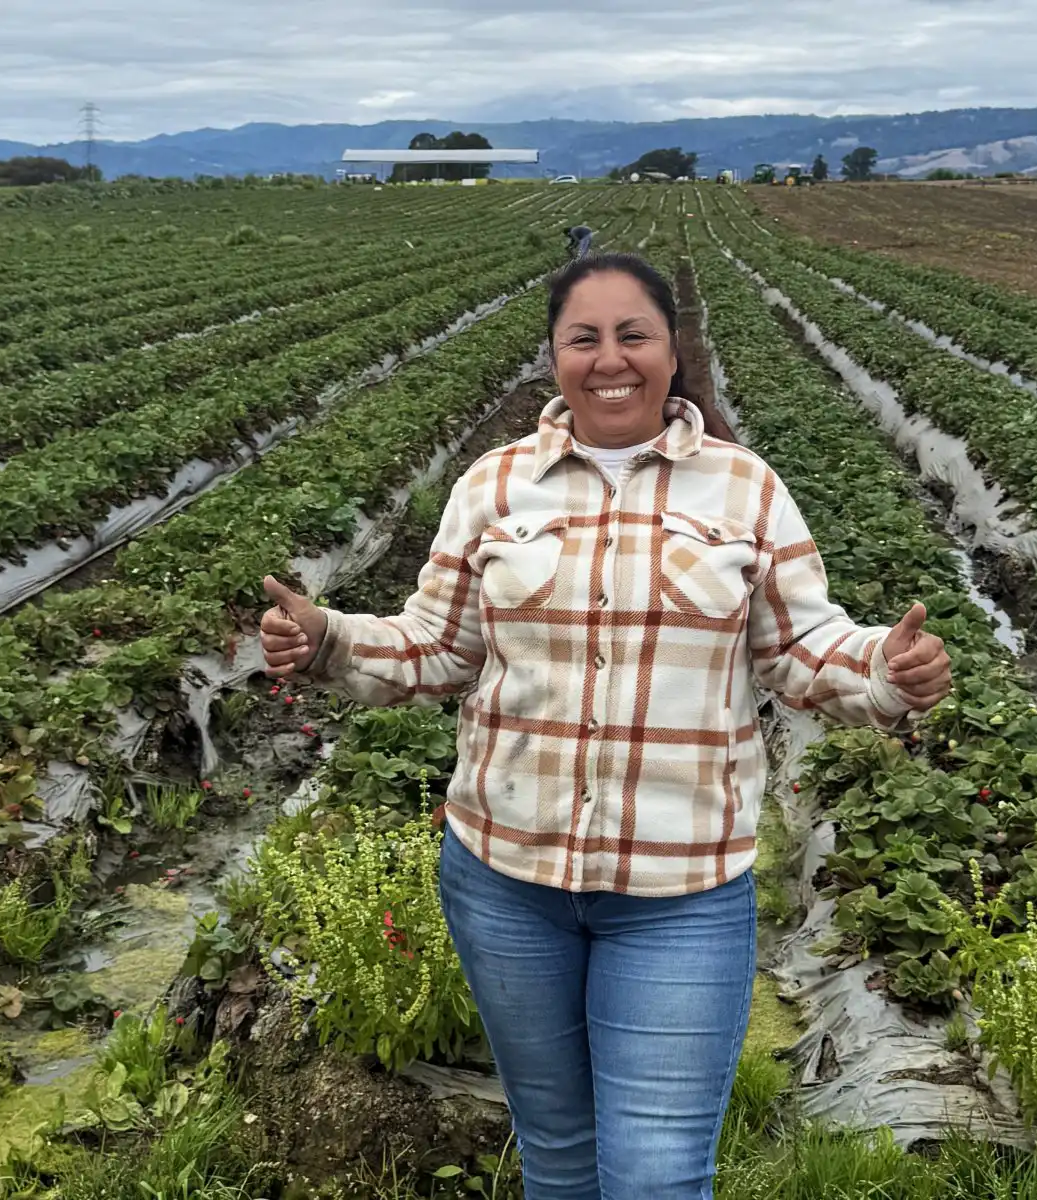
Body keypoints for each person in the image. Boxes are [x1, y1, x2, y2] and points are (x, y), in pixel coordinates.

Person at [258, 252, 952, 1200]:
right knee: (558, 1156)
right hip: (507, 881)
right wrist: (330, 637)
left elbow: (800, 648)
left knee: (657, 1176)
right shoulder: (493, 489)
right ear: (553, 356)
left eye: (635, 335)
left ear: (674, 351)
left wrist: (886, 669)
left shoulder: (744, 490)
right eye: (584, 338)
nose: (609, 358)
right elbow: (438, 645)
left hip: (680, 891)